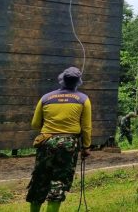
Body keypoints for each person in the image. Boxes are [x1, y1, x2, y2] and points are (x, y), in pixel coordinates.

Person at [26, 67, 91, 212]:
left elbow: (35, 124)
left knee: (39, 180)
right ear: (78, 82)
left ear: (61, 79)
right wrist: (86, 147)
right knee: (59, 181)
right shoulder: (83, 99)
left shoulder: (46, 98)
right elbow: (86, 127)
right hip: (68, 145)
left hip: (46, 142)